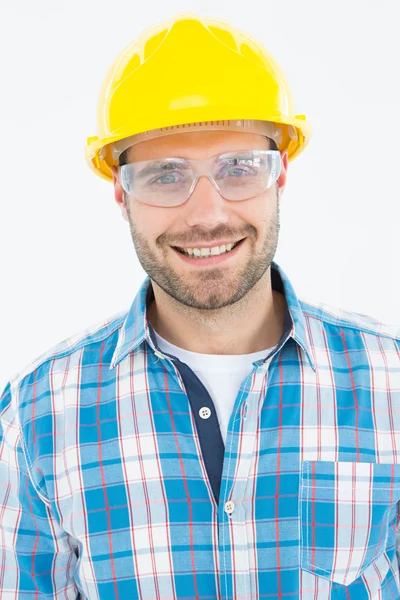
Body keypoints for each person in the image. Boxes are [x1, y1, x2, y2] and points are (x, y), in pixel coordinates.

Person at [1, 13, 400, 600]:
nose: (207, 213)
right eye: (165, 175)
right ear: (119, 190)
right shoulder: (35, 416)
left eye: (239, 167)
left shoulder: (391, 386)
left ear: (280, 173)